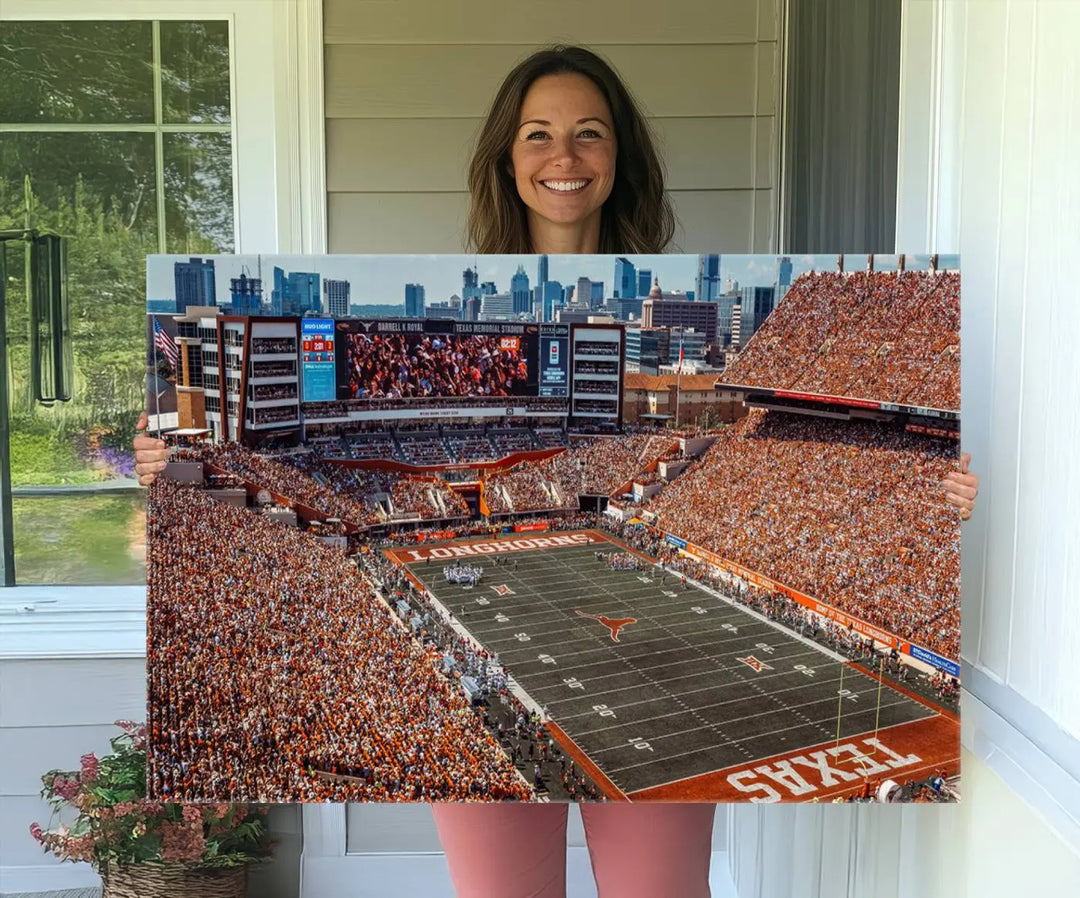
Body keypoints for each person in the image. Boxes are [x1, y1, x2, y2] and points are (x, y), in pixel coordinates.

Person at [134, 44, 981, 898]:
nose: (563, 157)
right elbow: (179, 484)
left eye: (589, 134)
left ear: (620, 158)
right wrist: (166, 471)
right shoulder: (426, 293)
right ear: (507, 158)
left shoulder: (666, 300)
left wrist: (949, 488)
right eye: (538, 135)